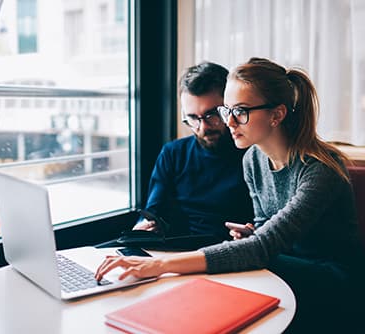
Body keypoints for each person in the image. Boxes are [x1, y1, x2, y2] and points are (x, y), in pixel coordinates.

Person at [96, 58, 365, 333]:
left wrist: (160, 265)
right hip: (281, 265)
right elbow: (264, 233)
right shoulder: (252, 160)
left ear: (277, 114)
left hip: (334, 279)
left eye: (241, 111)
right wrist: (253, 234)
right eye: (228, 111)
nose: (230, 122)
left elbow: (264, 248)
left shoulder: (320, 168)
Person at [133, 62, 253, 241]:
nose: (203, 127)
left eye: (212, 115)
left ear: (230, 107)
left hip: (233, 254)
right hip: (177, 254)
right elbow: (153, 212)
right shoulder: (173, 154)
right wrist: (143, 227)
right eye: (192, 118)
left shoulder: (255, 157)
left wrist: (253, 234)